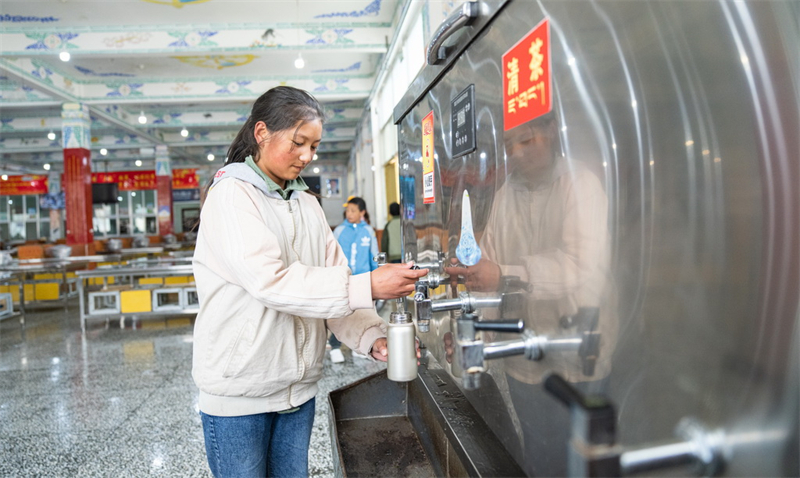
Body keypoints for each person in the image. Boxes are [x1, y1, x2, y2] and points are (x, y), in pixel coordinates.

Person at [191, 85, 427, 478]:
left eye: (314, 147)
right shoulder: (232, 195)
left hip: (297, 393)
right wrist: (368, 285)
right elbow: (273, 282)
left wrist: (372, 335)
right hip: (240, 393)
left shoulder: (306, 203)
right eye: (299, 143)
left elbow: (335, 280)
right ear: (261, 132)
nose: (307, 156)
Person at [329, 196, 379, 363]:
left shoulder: (369, 231)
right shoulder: (340, 231)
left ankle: (359, 346)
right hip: (344, 281)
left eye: (353, 210)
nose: (349, 214)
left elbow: (374, 256)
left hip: (363, 280)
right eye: (347, 211)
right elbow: (332, 255)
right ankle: (335, 347)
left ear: (362, 212)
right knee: (340, 314)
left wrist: (376, 278)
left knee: (364, 314)